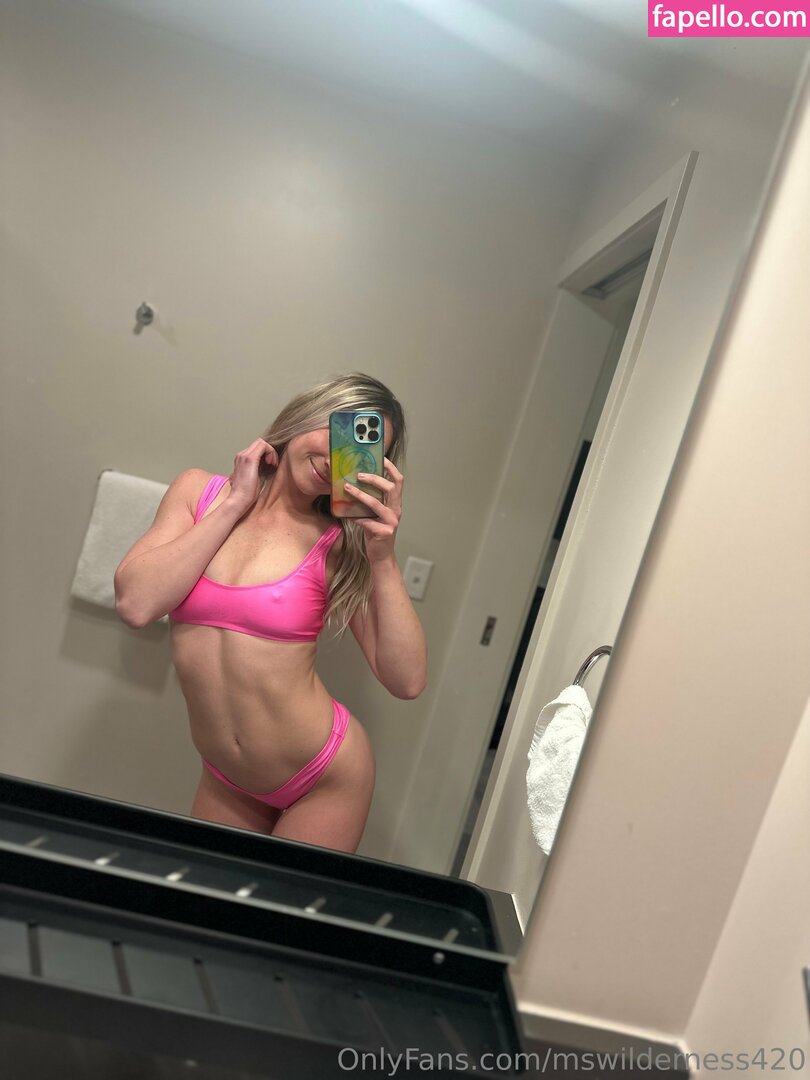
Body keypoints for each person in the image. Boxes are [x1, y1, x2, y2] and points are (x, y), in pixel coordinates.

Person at [114, 373, 427, 853]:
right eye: (336, 429)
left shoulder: (340, 545)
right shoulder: (199, 493)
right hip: (226, 778)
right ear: (303, 417)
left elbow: (406, 681)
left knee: (281, 905)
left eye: (356, 449)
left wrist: (383, 557)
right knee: (201, 898)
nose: (335, 458)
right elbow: (136, 604)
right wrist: (236, 503)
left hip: (324, 778)